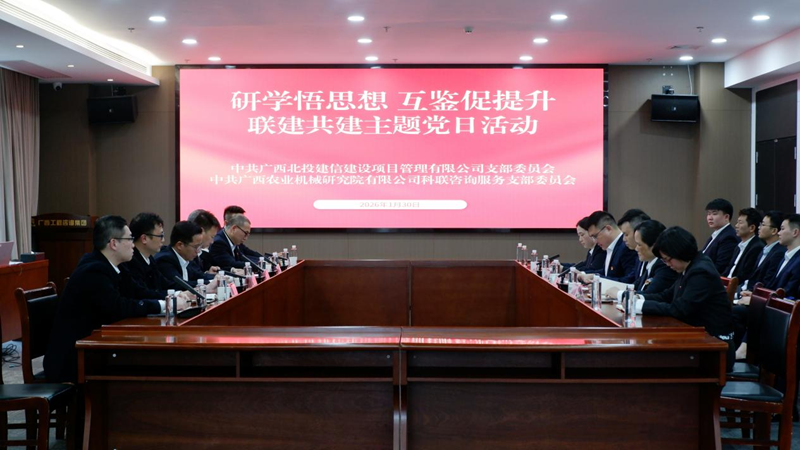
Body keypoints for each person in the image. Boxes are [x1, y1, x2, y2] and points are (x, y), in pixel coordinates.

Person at [44, 215, 186, 382]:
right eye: (129, 239)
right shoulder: (93, 270)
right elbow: (119, 307)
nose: (133, 244)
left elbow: (138, 292)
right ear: (113, 243)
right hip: (74, 358)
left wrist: (174, 297)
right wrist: (164, 305)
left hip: (95, 347)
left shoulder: (115, 266)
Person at [635, 226, 735, 371]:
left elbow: (679, 309)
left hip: (715, 348)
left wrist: (640, 306)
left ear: (679, 252)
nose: (667, 265)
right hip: (700, 341)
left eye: (668, 260)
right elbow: (666, 296)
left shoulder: (700, 271)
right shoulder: (689, 266)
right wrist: (638, 298)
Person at [606, 220, 678, 299]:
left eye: (639, 245)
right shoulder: (649, 263)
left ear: (654, 246)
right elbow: (635, 286)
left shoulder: (664, 266)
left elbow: (649, 294)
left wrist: (619, 294)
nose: (636, 249)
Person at [578, 211, 638, 283]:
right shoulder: (610, 247)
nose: (595, 241)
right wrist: (592, 276)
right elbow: (606, 272)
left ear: (608, 229)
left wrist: (599, 279)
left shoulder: (627, 246)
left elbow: (629, 280)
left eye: (595, 236)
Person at [155, 221, 217, 290]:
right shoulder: (164, 260)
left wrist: (217, 278)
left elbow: (199, 276)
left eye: (200, 246)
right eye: (196, 247)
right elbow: (180, 285)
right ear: (180, 245)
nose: (198, 251)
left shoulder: (187, 257)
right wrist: (209, 283)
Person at [121, 212, 170, 298]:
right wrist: (173, 295)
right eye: (160, 236)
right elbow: (142, 293)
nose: (163, 240)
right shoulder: (130, 261)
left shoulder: (150, 258)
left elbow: (165, 283)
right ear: (144, 238)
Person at [722, 208, 765, 285]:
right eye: (737, 222)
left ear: (752, 228)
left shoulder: (757, 247)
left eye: (740, 223)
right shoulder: (738, 246)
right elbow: (728, 269)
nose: (736, 226)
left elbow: (745, 275)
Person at [701, 198, 738, 274]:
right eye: (708, 214)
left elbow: (720, 267)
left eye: (714, 214)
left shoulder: (729, 237)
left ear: (726, 217)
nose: (710, 218)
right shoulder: (717, 234)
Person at [188, 209, 222, 273]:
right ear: (202, 231)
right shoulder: (188, 252)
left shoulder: (202, 253)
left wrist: (207, 274)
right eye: (212, 237)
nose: (212, 242)